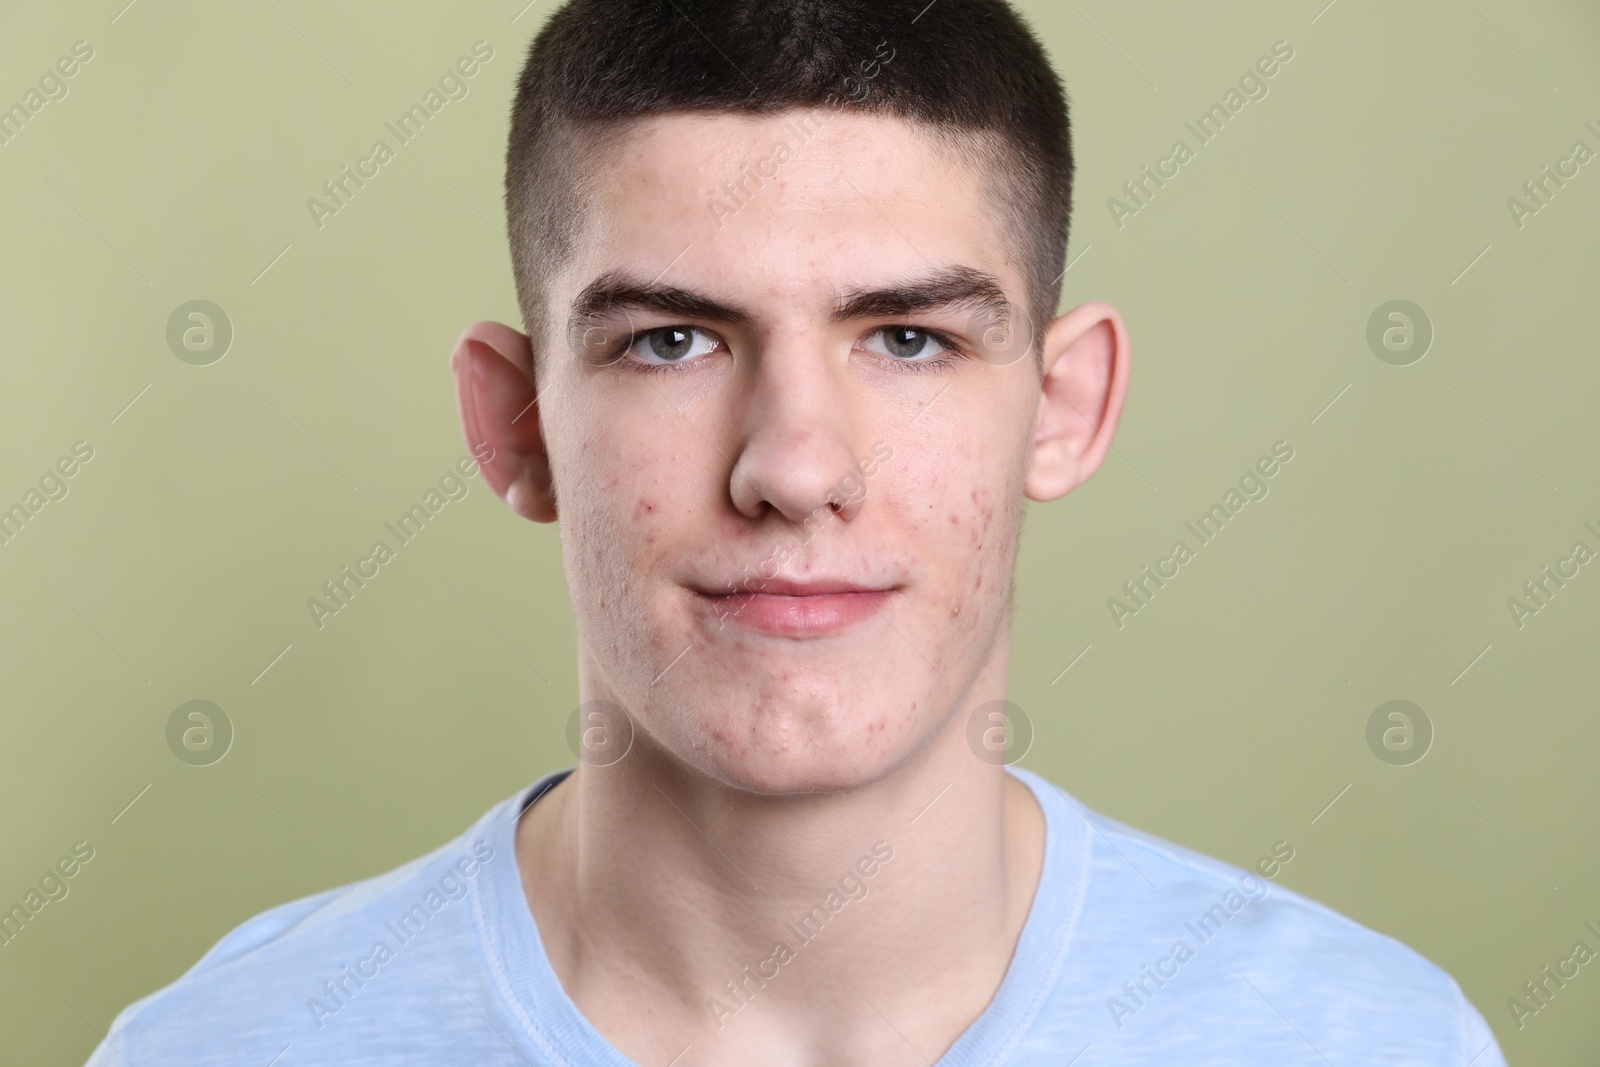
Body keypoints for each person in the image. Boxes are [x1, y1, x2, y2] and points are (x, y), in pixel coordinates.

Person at [87, 0, 1505, 1063]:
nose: (793, 466)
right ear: (515, 426)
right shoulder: (220, 1047)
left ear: (1064, 407)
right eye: (669, 344)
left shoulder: (1376, 1045)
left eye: (906, 337)